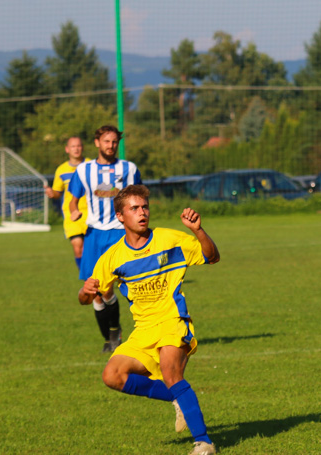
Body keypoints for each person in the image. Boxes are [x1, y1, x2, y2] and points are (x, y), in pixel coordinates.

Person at [78, 185, 220, 455]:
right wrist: (85, 293)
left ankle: (204, 443)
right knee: (112, 376)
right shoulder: (112, 258)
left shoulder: (170, 239)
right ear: (120, 216)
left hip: (172, 320)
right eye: (134, 208)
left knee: (170, 373)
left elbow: (212, 257)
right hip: (143, 331)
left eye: (145, 207)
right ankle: (178, 398)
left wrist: (198, 231)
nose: (142, 213)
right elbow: (87, 298)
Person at [68, 125, 142, 352]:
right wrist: (73, 211)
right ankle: (112, 334)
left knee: (117, 288)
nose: (110, 146)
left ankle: (123, 334)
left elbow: (139, 197)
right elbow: (73, 199)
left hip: (120, 234)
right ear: (97, 143)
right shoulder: (83, 170)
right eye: (106, 141)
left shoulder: (128, 169)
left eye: (114, 142)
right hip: (94, 235)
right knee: (94, 292)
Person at [44, 136, 90, 270]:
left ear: (83, 147)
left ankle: (99, 278)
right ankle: (87, 278)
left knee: (93, 250)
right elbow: (58, 192)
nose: (76, 149)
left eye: (79, 146)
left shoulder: (91, 165)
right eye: (73, 146)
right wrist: (53, 194)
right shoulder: (61, 170)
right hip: (71, 215)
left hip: (91, 214)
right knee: (78, 248)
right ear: (67, 149)